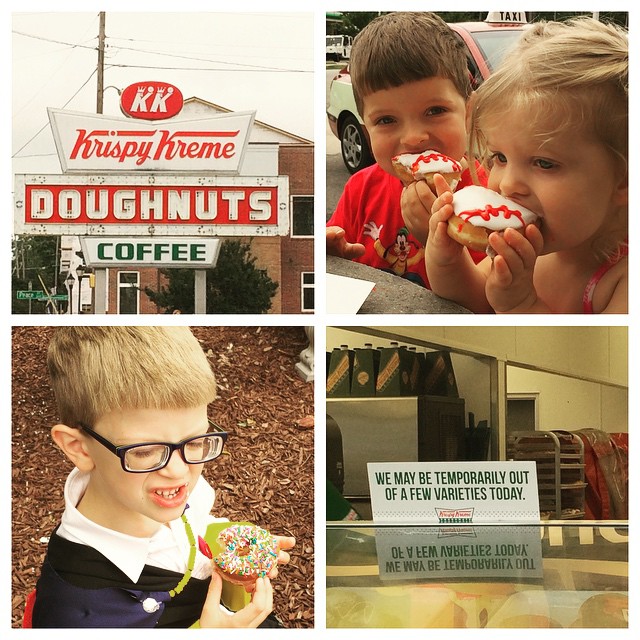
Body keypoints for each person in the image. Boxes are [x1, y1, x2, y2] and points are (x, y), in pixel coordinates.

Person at [30, 327, 295, 628]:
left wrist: (224, 552)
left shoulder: (151, 493)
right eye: (145, 452)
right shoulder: (72, 614)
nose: (179, 471)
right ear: (79, 448)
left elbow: (191, 529)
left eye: (195, 442)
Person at [423, 17, 628, 313]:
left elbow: (579, 358)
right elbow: (476, 300)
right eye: (500, 158)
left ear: (623, 180)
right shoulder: (533, 244)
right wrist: (447, 260)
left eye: (544, 163)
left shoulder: (622, 279)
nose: (507, 185)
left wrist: (522, 304)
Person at [326, 12, 487, 289]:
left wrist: (438, 240)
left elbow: (489, 304)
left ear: (468, 112)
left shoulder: (489, 196)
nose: (413, 139)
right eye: (386, 120)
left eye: (435, 111)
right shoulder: (360, 190)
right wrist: (332, 258)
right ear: (367, 127)